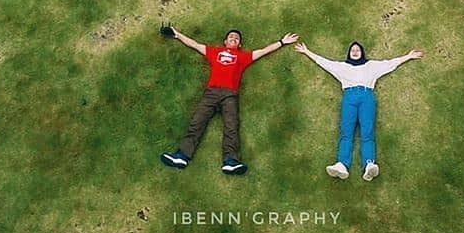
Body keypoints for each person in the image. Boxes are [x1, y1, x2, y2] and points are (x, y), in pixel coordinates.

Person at [159, 26, 297, 175]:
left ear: (239, 45)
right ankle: (182, 156)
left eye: (237, 39)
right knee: (197, 122)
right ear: (225, 41)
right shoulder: (214, 52)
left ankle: (231, 162)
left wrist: (282, 42)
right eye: (231, 37)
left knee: (231, 126)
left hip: (230, 95)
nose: (234, 39)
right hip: (211, 93)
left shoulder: (243, 57)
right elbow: (194, 44)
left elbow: (263, 51)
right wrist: (177, 34)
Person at [294, 39, 422, 180]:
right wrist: (307, 52)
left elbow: (389, 63)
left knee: (367, 131)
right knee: (346, 132)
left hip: (367, 97)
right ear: (349, 53)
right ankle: (342, 165)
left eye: (358, 50)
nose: (355, 52)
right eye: (352, 50)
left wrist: (408, 56)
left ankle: (369, 164)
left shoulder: (371, 66)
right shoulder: (342, 67)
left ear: (362, 53)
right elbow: (325, 63)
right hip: (349, 97)